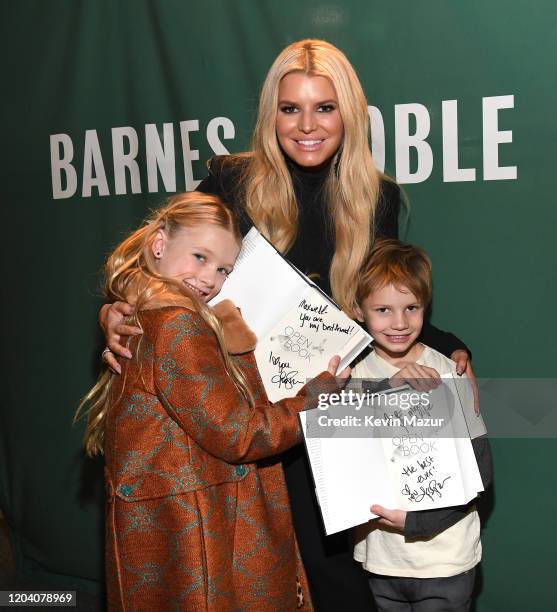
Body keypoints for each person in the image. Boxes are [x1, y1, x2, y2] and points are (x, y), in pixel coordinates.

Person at [100, 39, 477, 611]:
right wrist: (118, 303)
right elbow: (172, 259)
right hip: (245, 414)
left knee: (342, 581)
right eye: (290, 108)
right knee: (257, 582)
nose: (307, 125)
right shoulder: (230, 181)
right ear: (269, 114)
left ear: (347, 115)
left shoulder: (377, 198)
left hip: (333, 405)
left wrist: (448, 347)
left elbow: (386, 297)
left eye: (324, 107)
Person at [77, 192, 349, 611]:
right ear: (160, 243)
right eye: (200, 257)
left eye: (223, 269)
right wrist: (318, 394)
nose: (209, 278)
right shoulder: (177, 323)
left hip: (175, 523)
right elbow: (240, 435)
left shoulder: (154, 309)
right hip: (196, 529)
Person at [351, 239, 492, 612]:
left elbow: (480, 469)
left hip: (445, 560)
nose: (399, 323)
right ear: (358, 310)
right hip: (380, 560)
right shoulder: (349, 377)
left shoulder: (449, 372)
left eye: (411, 308)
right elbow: (322, 430)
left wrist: (419, 520)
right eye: (383, 309)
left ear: (424, 308)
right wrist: (388, 387)